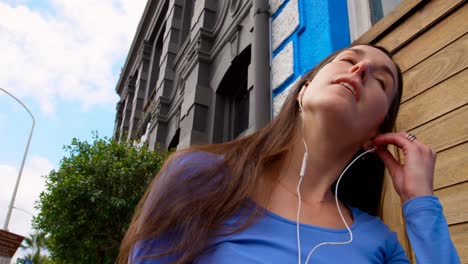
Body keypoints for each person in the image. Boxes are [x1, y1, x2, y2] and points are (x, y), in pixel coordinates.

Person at [117, 44, 460, 264]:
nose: (360, 70)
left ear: (376, 135)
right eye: (349, 60)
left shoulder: (377, 240)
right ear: (303, 90)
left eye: (380, 82)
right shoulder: (201, 176)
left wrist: (420, 201)